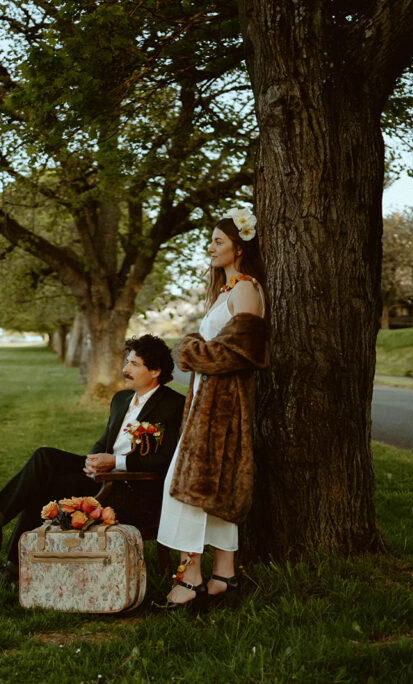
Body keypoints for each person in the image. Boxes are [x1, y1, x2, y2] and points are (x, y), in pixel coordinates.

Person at [0, 334, 186, 584]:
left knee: (42, 486)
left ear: (155, 371)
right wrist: (92, 460)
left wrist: (114, 463)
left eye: (134, 364)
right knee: (44, 458)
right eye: (127, 362)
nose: (125, 369)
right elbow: (104, 442)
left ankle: (1, 548)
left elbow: (166, 460)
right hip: (101, 475)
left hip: (132, 489)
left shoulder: (174, 405)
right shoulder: (121, 399)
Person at [155, 208, 269, 609]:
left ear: (240, 247)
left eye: (219, 241)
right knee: (210, 490)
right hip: (207, 404)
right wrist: (196, 349)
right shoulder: (227, 291)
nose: (211, 247)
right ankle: (224, 576)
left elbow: (239, 353)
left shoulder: (246, 290)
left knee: (186, 491)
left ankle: (189, 582)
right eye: (212, 240)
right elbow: (219, 350)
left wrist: (188, 348)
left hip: (222, 410)